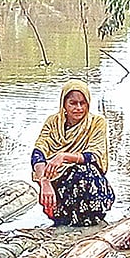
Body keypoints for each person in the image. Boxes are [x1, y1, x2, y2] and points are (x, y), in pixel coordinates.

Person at [30, 79, 115, 226]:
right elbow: (38, 152)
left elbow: (94, 156)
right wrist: (44, 181)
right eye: (73, 103)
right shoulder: (53, 122)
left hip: (89, 187)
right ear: (64, 104)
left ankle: (91, 221)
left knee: (83, 171)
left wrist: (63, 156)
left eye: (83, 103)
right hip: (59, 185)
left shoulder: (96, 122)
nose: (78, 108)